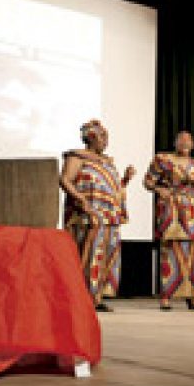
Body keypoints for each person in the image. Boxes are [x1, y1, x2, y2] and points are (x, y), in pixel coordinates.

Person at [60, 120, 134, 311]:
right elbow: (65, 180)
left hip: (109, 215)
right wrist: (81, 199)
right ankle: (80, 296)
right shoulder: (77, 157)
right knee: (88, 253)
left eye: (106, 137)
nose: (105, 141)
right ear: (90, 138)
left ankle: (97, 296)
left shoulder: (107, 161)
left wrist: (125, 179)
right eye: (102, 136)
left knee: (107, 255)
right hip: (88, 215)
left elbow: (112, 188)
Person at [144, 131, 194, 311]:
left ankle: (193, 295)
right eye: (180, 139)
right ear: (174, 143)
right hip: (172, 209)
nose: (184, 142)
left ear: (193, 145)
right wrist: (159, 190)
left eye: (188, 139)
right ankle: (166, 296)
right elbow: (148, 181)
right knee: (171, 251)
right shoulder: (163, 160)